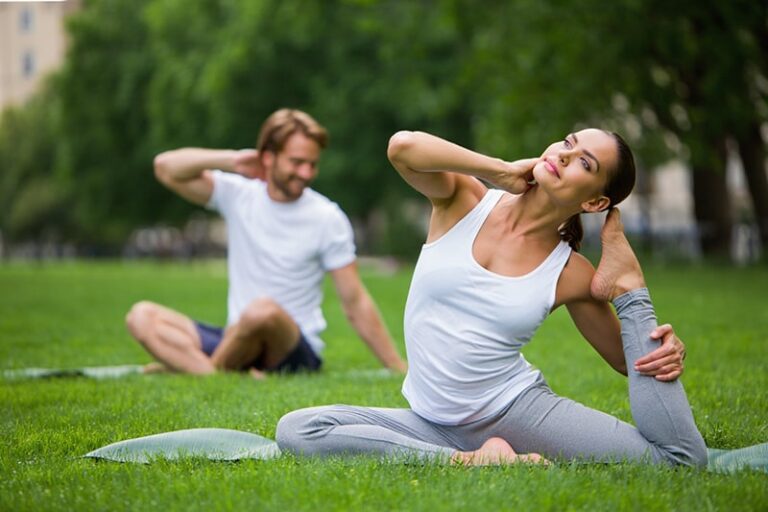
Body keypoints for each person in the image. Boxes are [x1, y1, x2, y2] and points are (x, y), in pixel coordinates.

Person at [275, 128, 708, 466]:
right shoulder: (464, 200)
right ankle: (471, 461)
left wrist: (645, 322)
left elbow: (628, 361)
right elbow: (402, 147)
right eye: (568, 143)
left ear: (595, 202)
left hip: (517, 412)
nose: (564, 154)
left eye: (584, 162)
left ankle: (629, 281)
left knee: (680, 460)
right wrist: (498, 170)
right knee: (298, 429)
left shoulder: (570, 272)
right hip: (430, 423)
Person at [125, 109, 407, 377]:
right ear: (269, 157)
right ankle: (216, 373)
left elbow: (355, 301)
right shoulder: (239, 195)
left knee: (262, 311)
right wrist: (233, 160)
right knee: (141, 316)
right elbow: (165, 167)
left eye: (312, 164)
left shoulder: (327, 217)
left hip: (292, 348)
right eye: (297, 162)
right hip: (236, 338)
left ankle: (193, 367)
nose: (306, 173)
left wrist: (396, 366)